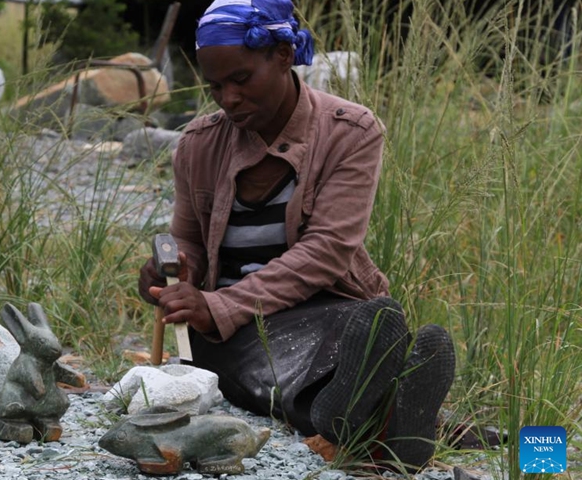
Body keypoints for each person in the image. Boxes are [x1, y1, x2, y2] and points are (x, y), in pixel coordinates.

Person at [138, 0, 455, 472]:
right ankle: (381, 418)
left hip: (326, 304)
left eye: (241, 80)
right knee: (244, 364)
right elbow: (188, 242)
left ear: (284, 56)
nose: (228, 98)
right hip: (231, 324)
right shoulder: (198, 143)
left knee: (348, 336)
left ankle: (369, 408)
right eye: (215, 86)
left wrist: (217, 307)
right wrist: (176, 274)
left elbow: (327, 252)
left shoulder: (350, 130)